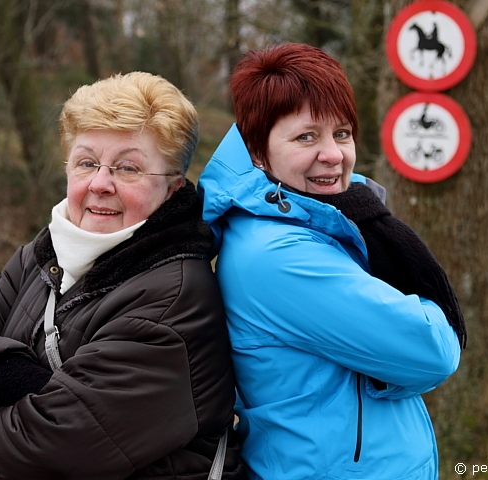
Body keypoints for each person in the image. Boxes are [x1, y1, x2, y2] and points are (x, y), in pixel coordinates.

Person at [0, 71, 245, 480]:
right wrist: (9, 378)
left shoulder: (174, 298)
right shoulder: (48, 252)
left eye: (128, 168)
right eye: (86, 162)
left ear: (173, 189)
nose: (100, 183)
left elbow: (50, 448)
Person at [197, 43, 466, 479]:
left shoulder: (320, 222)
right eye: (306, 137)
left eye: (341, 133)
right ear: (258, 151)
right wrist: (403, 354)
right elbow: (433, 350)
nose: (334, 154)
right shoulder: (279, 257)